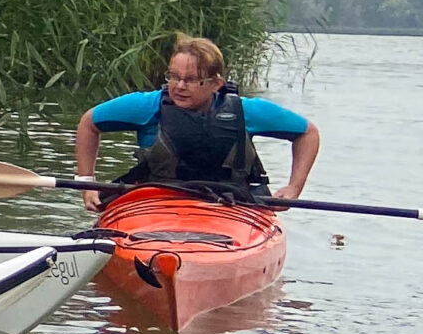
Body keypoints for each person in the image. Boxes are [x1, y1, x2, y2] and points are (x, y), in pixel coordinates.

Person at [74, 33, 318, 210]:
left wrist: (294, 188)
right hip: (154, 203)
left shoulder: (246, 112)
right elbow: (89, 123)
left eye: (191, 80)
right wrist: (87, 184)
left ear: (216, 84)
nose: (179, 86)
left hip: (232, 206)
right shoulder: (147, 105)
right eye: (174, 77)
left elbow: (308, 133)